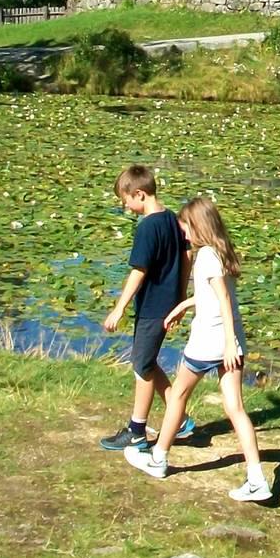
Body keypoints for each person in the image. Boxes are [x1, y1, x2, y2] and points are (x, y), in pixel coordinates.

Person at [124, 196, 272, 503]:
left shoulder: (206, 257)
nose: (185, 235)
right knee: (235, 409)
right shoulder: (222, 251)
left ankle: (158, 459)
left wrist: (228, 341)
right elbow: (215, 293)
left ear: (199, 226)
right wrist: (185, 305)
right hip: (231, 344)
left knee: (177, 395)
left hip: (210, 343)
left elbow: (223, 301)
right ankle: (257, 479)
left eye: (187, 228)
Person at [100, 165, 194, 451]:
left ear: (139, 194)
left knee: (141, 366)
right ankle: (180, 421)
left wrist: (118, 309)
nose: (125, 207)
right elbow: (187, 255)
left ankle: (137, 431)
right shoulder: (173, 220)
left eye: (125, 200)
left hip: (153, 307)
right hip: (167, 303)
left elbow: (139, 271)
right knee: (149, 361)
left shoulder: (148, 227)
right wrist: (179, 296)